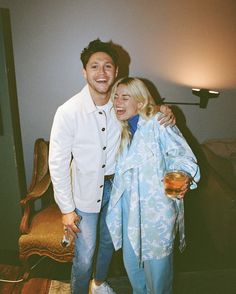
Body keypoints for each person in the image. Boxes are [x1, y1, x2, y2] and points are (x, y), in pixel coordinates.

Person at [48, 39, 176, 294]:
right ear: (84, 72)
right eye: (94, 66)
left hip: (119, 188)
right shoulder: (68, 111)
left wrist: (163, 108)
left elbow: (146, 110)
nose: (102, 72)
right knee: (85, 254)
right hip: (84, 193)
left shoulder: (121, 105)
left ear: (116, 71)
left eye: (108, 66)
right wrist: (66, 208)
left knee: (109, 243)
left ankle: (99, 284)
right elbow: (58, 162)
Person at [106, 77, 200, 294]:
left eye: (125, 97)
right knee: (133, 268)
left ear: (139, 102)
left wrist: (184, 175)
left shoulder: (159, 122)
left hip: (156, 212)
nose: (118, 102)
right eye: (116, 97)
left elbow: (183, 156)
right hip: (128, 211)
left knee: (158, 276)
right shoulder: (120, 129)